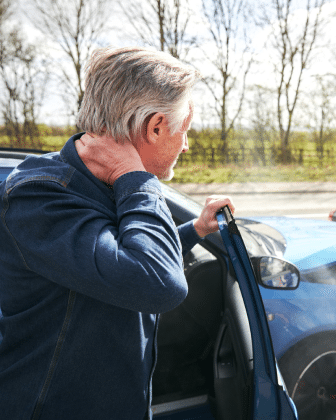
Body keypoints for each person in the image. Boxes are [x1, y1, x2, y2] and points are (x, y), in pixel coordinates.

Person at [0, 46, 234, 420]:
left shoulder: (98, 183)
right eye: (184, 130)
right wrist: (136, 178)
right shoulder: (38, 195)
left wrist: (193, 230)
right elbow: (158, 282)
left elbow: (118, 255)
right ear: (155, 126)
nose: (186, 145)